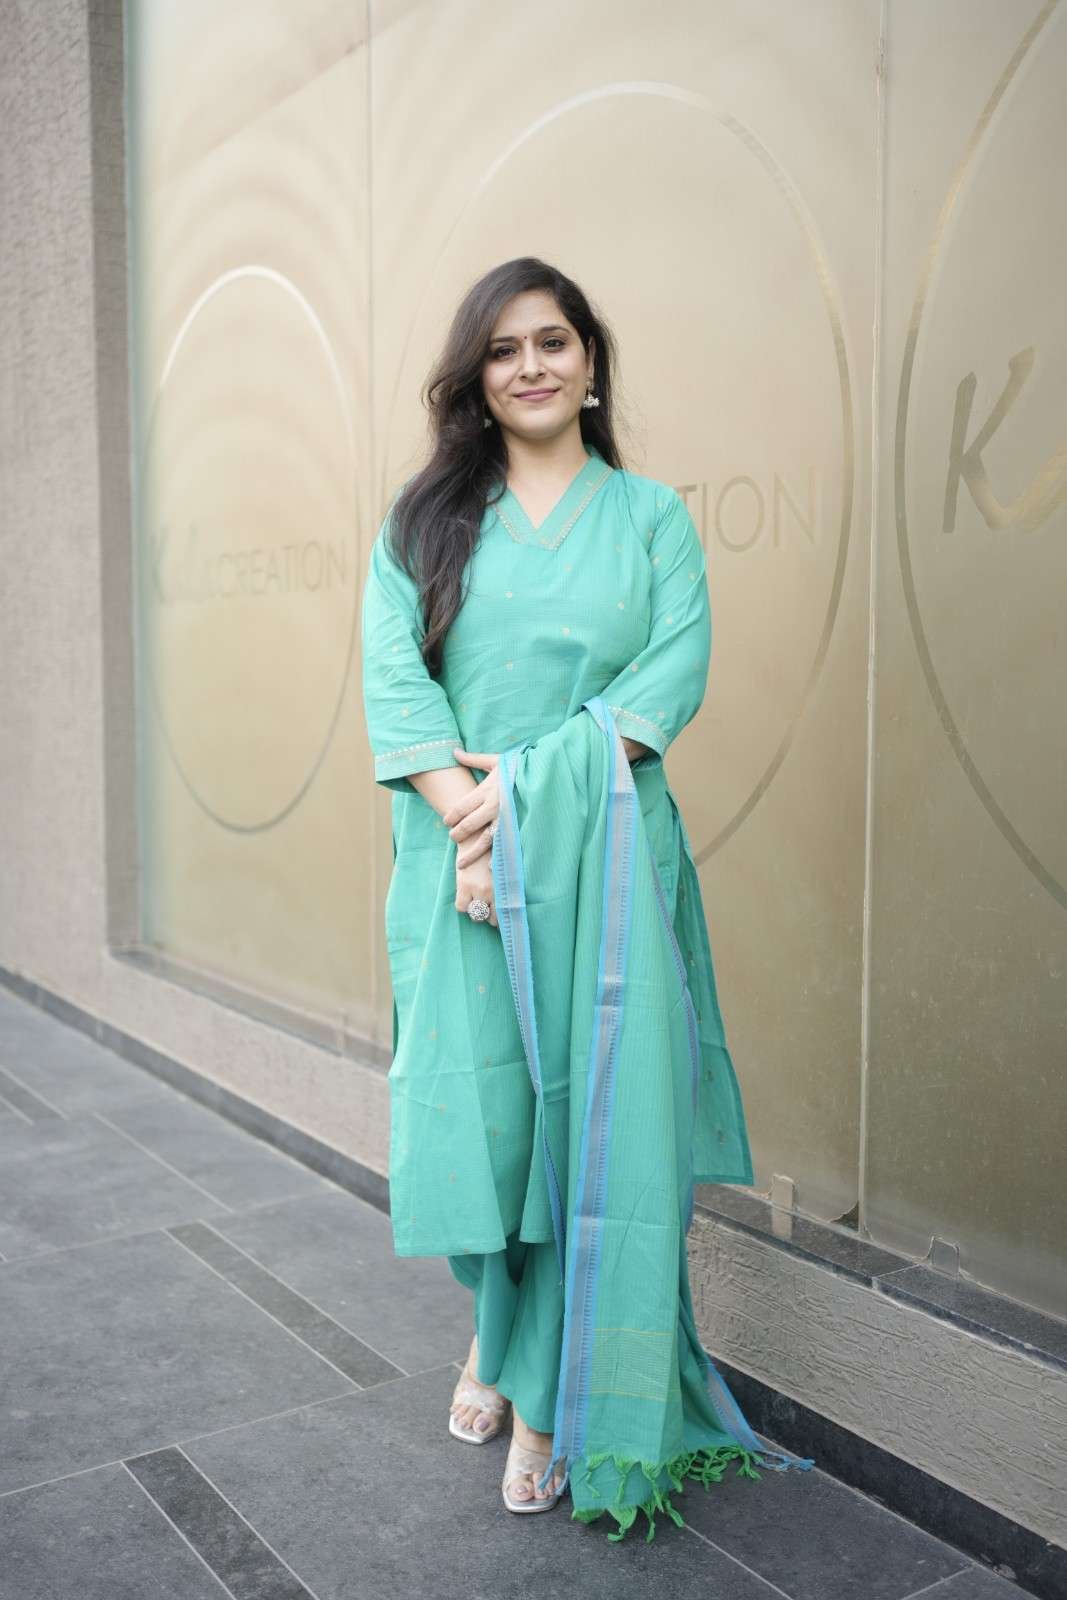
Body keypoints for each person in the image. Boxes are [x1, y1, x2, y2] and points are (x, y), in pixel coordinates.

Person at [360, 256, 814, 1541]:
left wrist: (518, 802)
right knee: (489, 1123)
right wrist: (469, 818)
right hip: (457, 865)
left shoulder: (652, 520)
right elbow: (394, 681)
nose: (531, 366)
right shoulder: (424, 522)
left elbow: (667, 680)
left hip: (607, 858)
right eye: (502, 349)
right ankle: (499, 1328)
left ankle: (550, 1401)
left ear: (590, 361)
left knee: (592, 1123)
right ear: (475, 379)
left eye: (552, 341)